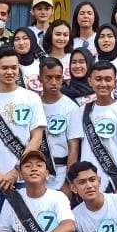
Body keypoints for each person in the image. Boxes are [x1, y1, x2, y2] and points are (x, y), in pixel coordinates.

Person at [0, 47, 47, 230]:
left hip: (26, 177)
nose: (9, 72)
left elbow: (36, 138)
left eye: (14, 67)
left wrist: (16, 171)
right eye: (4, 67)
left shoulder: (32, 98)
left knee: (26, 228)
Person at [68, 61, 117, 194]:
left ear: (115, 82)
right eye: (98, 79)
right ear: (90, 81)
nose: (103, 84)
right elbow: (74, 148)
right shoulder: (81, 111)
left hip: (114, 180)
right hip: (86, 181)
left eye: (108, 79)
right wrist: (72, 181)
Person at [38, 56, 78, 193]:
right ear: (40, 79)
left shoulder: (71, 107)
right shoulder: (33, 104)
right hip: (37, 171)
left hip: (61, 172)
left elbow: (73, 147)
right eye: (48, 77)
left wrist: (68, 180)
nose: (54, 82)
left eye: (58, 77)